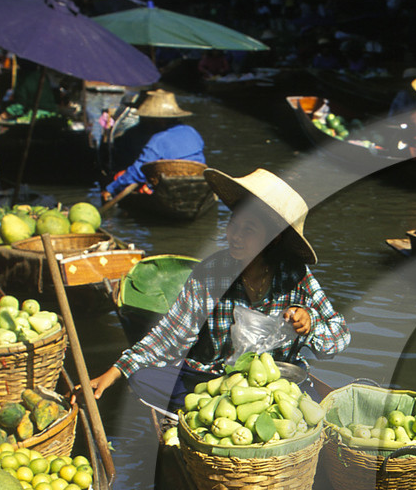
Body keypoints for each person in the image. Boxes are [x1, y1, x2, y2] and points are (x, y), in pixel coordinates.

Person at [89, 166, 350, 406]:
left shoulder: (296, 276)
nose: (235, 236)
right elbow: (171, 334)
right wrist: (116, 371)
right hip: (215, 381)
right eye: (233, 224)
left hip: (277, 388)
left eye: (248, 230)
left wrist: (310, 324)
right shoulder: (211, 272)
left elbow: (339, 336)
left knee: (313, 405)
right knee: (142, 378)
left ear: (274, 238)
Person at [103, 90, 206, 203]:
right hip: (196, 184)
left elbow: (138, 172)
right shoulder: (192, 132)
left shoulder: (157, 141)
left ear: (158, 119)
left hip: (170, 187)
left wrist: (111, 189)